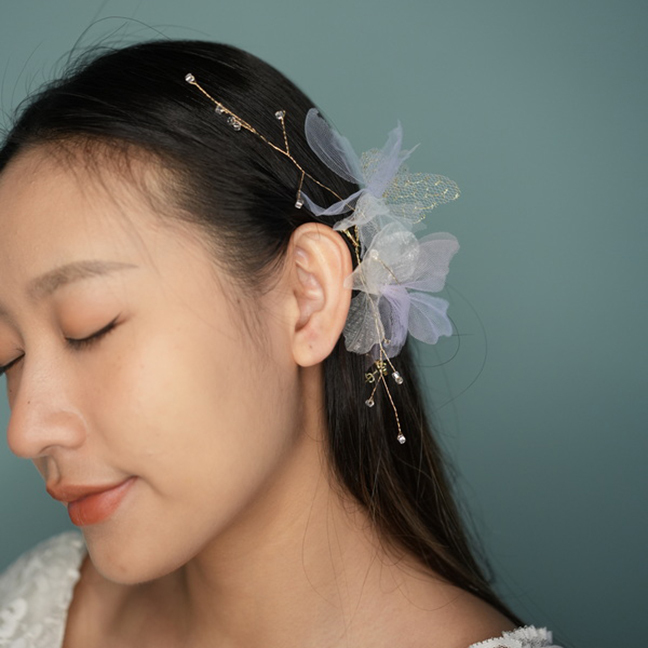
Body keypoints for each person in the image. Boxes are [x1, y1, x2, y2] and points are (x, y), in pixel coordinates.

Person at [0, 40, 561, 648]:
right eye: (8, 357)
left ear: (306, 297)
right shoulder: (35, 605)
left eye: (89, 328)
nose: (25, 432)